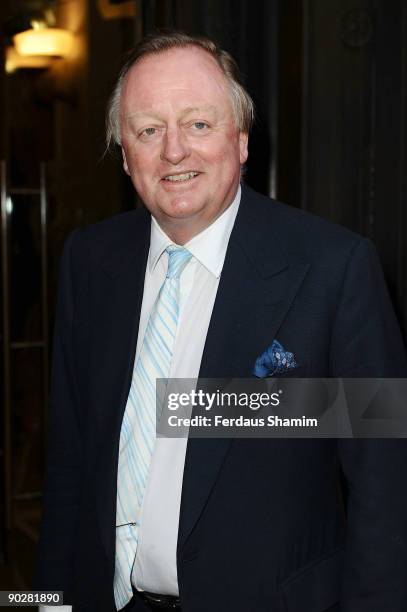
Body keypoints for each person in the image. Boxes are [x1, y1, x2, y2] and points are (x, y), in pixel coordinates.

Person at [35, 32, 407, 612]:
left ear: (241, 140)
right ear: (125, 152)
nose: (174, 151)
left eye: (199, 125)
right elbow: (69, 465)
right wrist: (46, 603)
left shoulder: (335, 269)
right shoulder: (90, 261)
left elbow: (386, 488)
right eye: (149, 129)